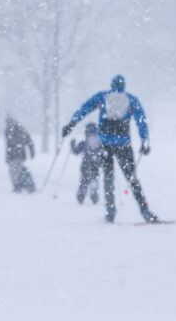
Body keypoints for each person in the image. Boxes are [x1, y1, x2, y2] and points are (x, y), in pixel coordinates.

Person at [61, 75, 159, 223]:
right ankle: (145, 211)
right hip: (124, 145)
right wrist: (144, 141)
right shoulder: (132, 100)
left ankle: (110, 211)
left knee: (108, 178)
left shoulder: (103, 97)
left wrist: (72, 123)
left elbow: (85, 108)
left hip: (106, 145)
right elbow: (141, 120)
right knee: (132, 178)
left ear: (112, 84)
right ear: (124, 85)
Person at [71, 122, 103, 205]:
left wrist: (72, 144)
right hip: (96, 163)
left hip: (86, 163)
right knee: (94, 179)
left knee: (84, 180)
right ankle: (93, 194)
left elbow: (76, 151)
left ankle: (81, 195)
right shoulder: (99, 142)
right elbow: (103, 153)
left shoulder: (85, 142)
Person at [4, 116, 36, 193]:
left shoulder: (13, 130)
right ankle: (20, 185)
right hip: (17, 154)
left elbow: (28, 140)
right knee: (16, 170)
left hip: (15, 155)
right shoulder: (17, 130)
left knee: (14, 171)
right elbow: (29, 141)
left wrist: (31, 150)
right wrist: (31, 151)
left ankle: (17, 186)